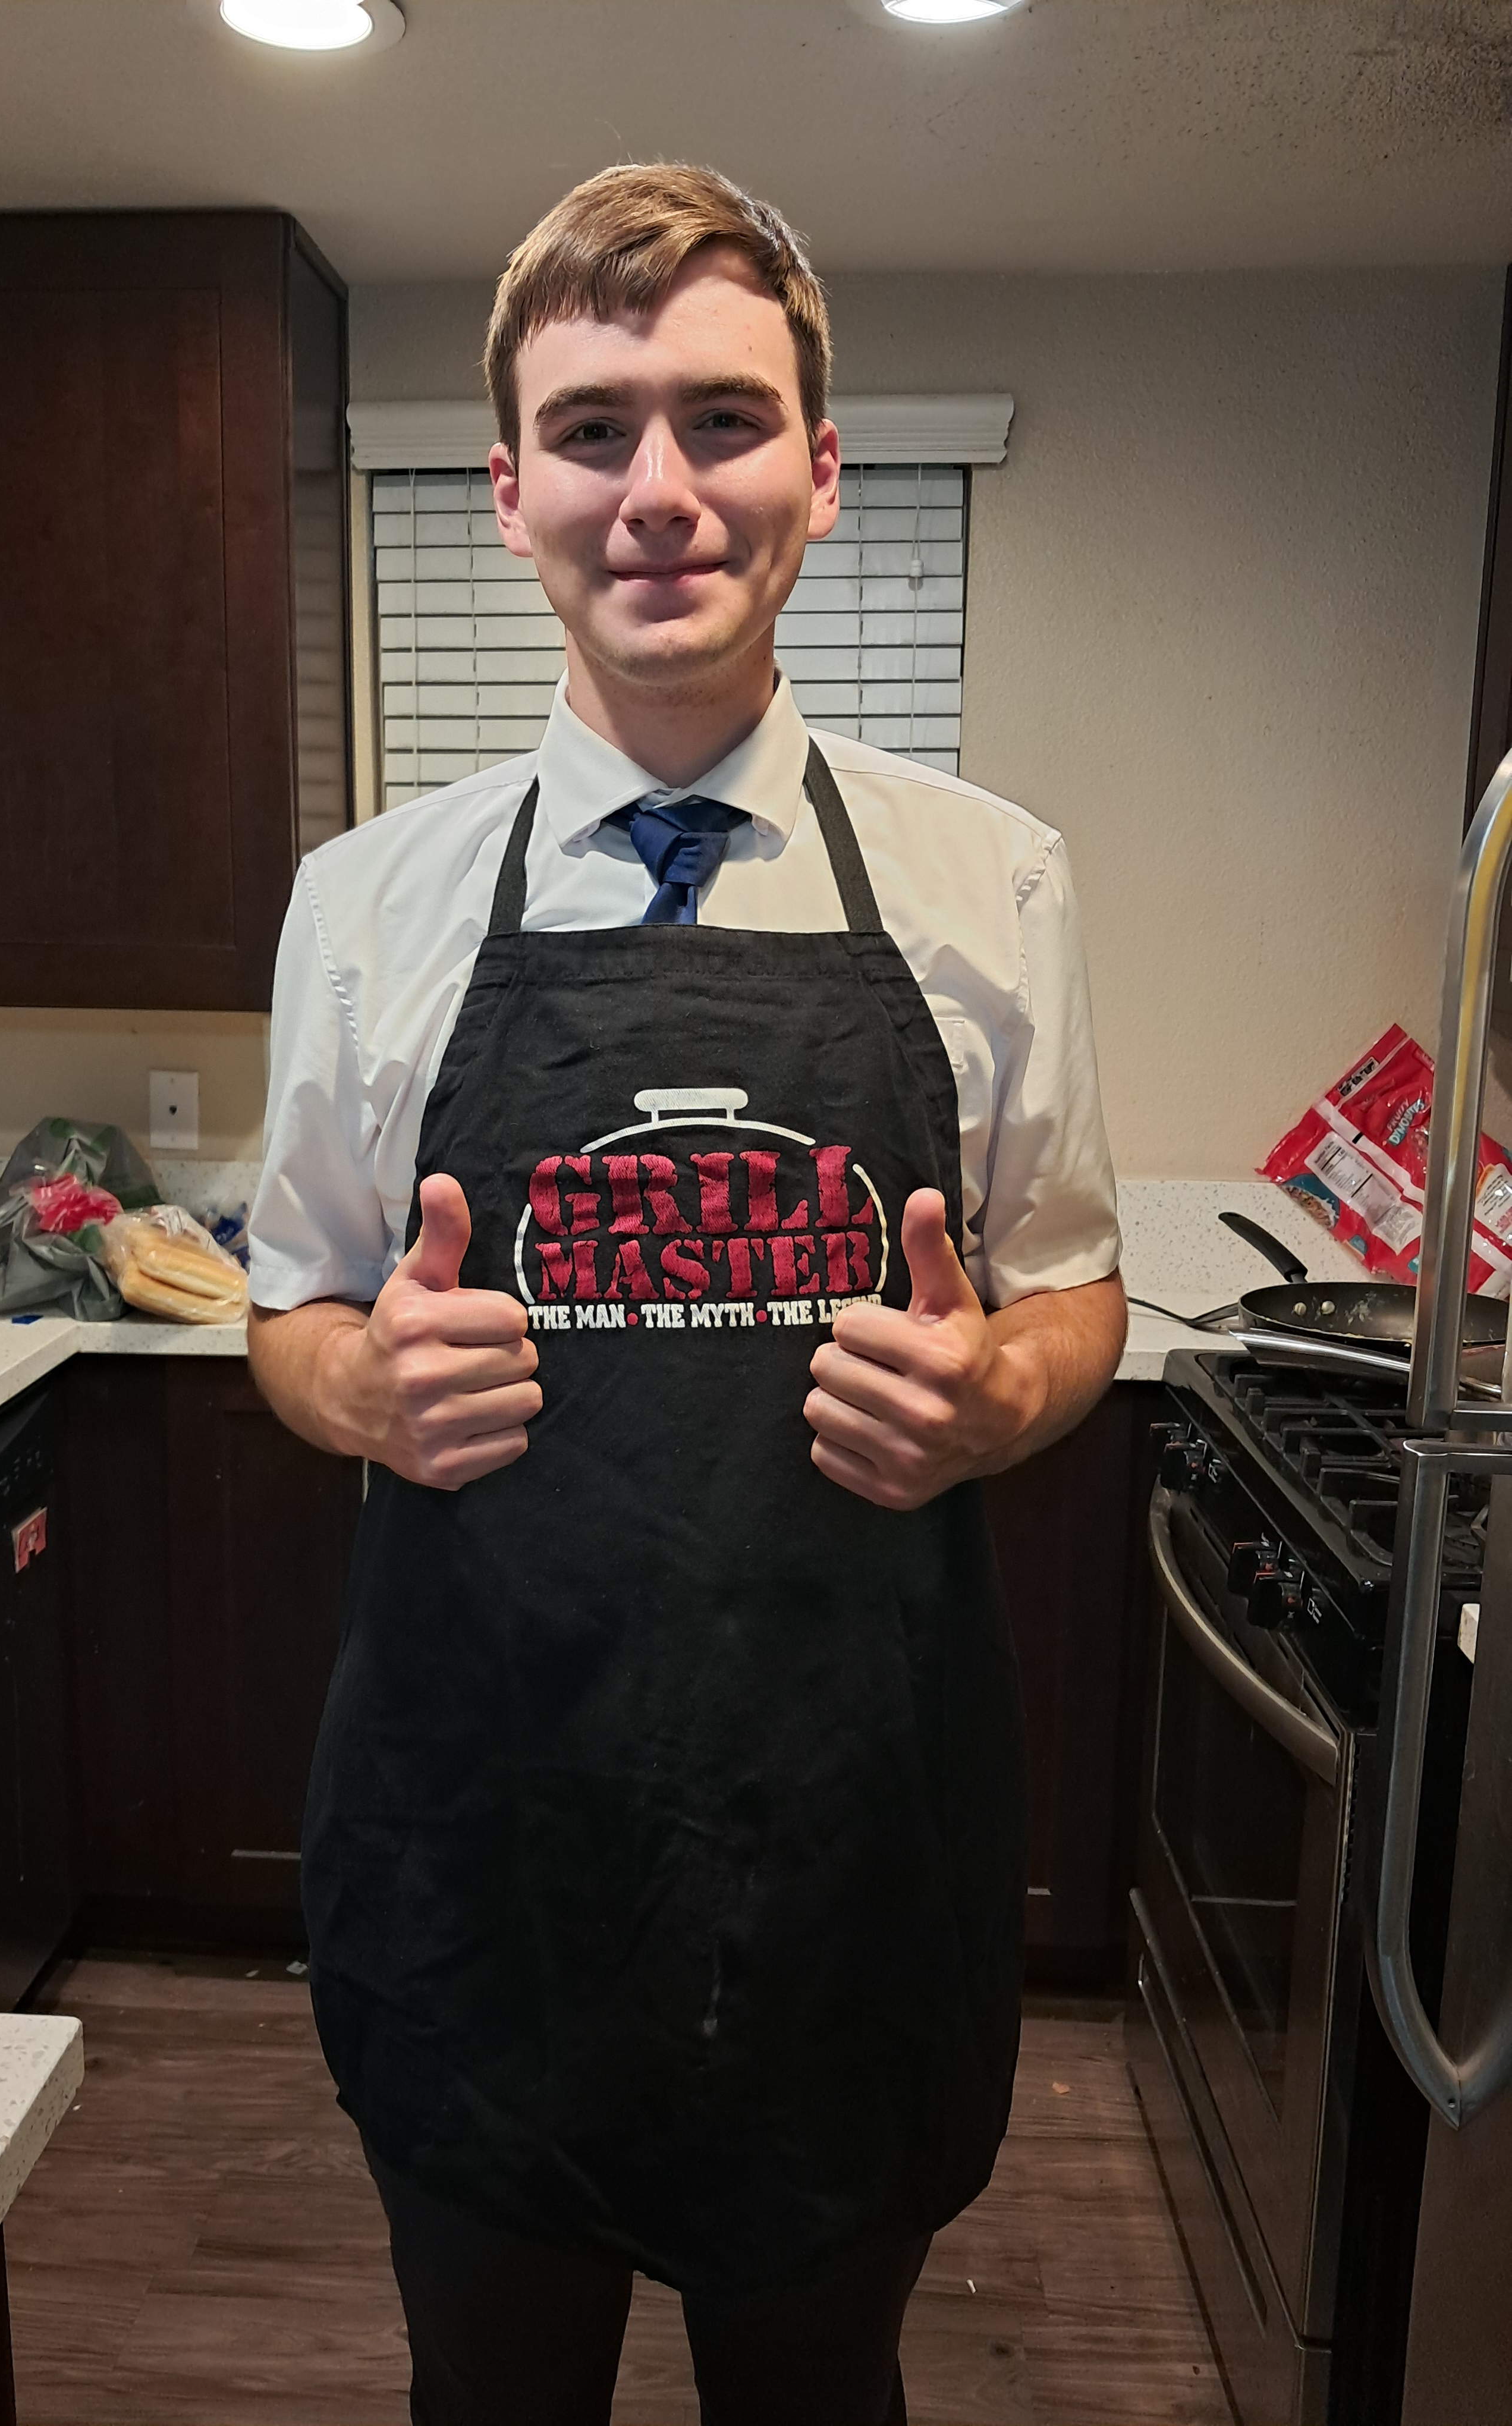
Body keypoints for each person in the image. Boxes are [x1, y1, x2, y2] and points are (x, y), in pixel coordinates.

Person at [247, 161, 1126, 2426]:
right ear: (505, 487)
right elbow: (288, 1319)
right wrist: (366, 1386)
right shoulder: (361, 908)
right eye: (595, 429)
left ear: (824, 472)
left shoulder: (989, 884)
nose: (661, 490)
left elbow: (1073, 1296)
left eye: (724, 423)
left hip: (851, 1849)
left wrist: (992, 1397)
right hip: (481, 1853)